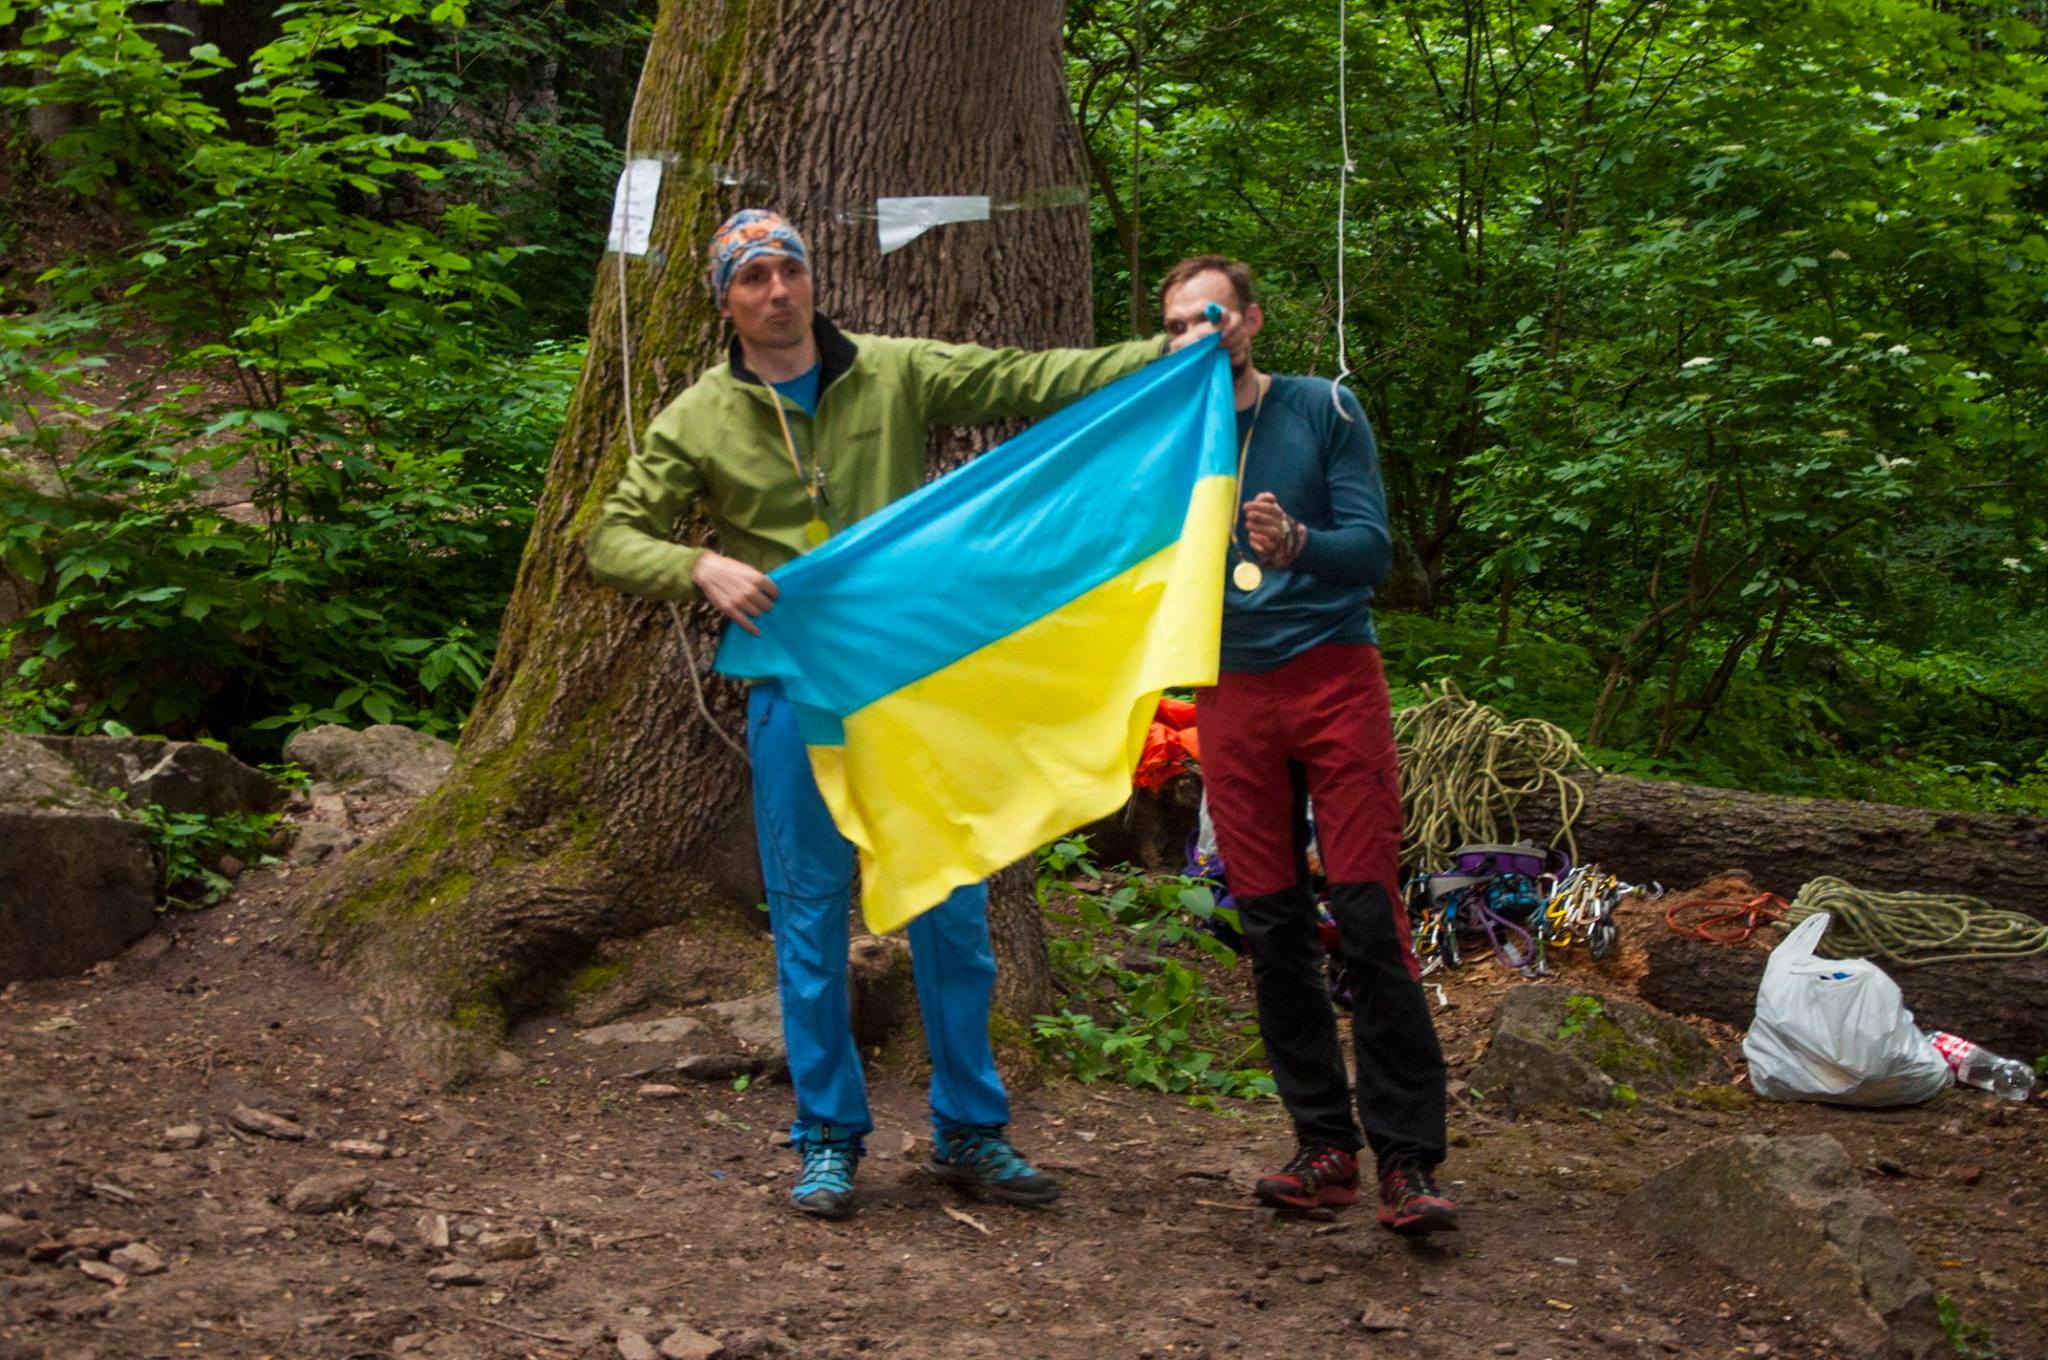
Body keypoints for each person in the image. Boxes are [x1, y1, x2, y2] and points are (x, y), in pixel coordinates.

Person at [587, 209, 1245, 1220]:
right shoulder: (697, 417)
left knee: (952, 902)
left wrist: (1164, 358)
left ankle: (970, 1130)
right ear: (725, 300)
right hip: (796, 685)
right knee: (808, 915)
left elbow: (1022, 380)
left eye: (787, 270)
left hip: (916, 686)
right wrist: (699, 564)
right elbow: (610, 538)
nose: (774, 290)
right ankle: (825, 1139)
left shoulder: (889, 369)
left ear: (810, 282)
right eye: (751, 276)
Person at [1161, 254, 1457, 1235]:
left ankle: (1408, 1163)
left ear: (1248, 320)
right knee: (1273, 926)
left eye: (1212, 317)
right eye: (1176, 326)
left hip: (1332, 676)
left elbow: (1373, 551)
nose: (1196, 337)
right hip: (1228, 690)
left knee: (1368, 916)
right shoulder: (1162, 436)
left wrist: (1297, 545)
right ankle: (1322, 1147)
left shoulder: (1320, 408)